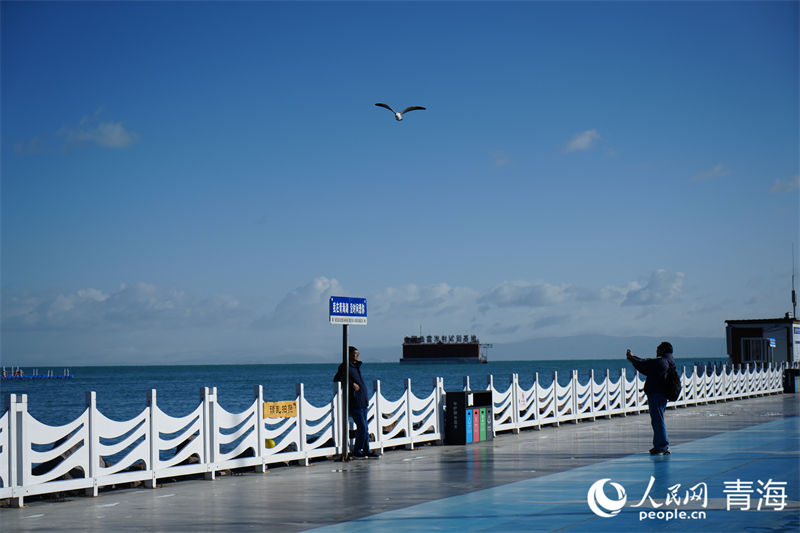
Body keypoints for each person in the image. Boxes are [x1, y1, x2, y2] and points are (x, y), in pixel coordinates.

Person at [626, 342, 675, 455]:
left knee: (658, 421)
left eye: (658, 348)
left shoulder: (661, 361)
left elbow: (646, 363)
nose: (656, 350)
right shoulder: (665, 361)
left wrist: (633, 358)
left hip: (657, 394)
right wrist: (633, 361)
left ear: (663, 350)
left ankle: (662, 446)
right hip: (657, 394)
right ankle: (658, 445)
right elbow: (646, 369)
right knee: (657, 420)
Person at [334, 346, 379, 458]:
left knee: (365, 428)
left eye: (358, 353)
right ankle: (357, 451)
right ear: (348, 354)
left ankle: (366, 450)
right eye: (355, 353)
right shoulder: (345, 366)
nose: (357, 355)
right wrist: (351, 383)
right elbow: (337, 379)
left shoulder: (356, 366)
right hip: (355, 402)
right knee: (362, 427)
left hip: (363, 401)